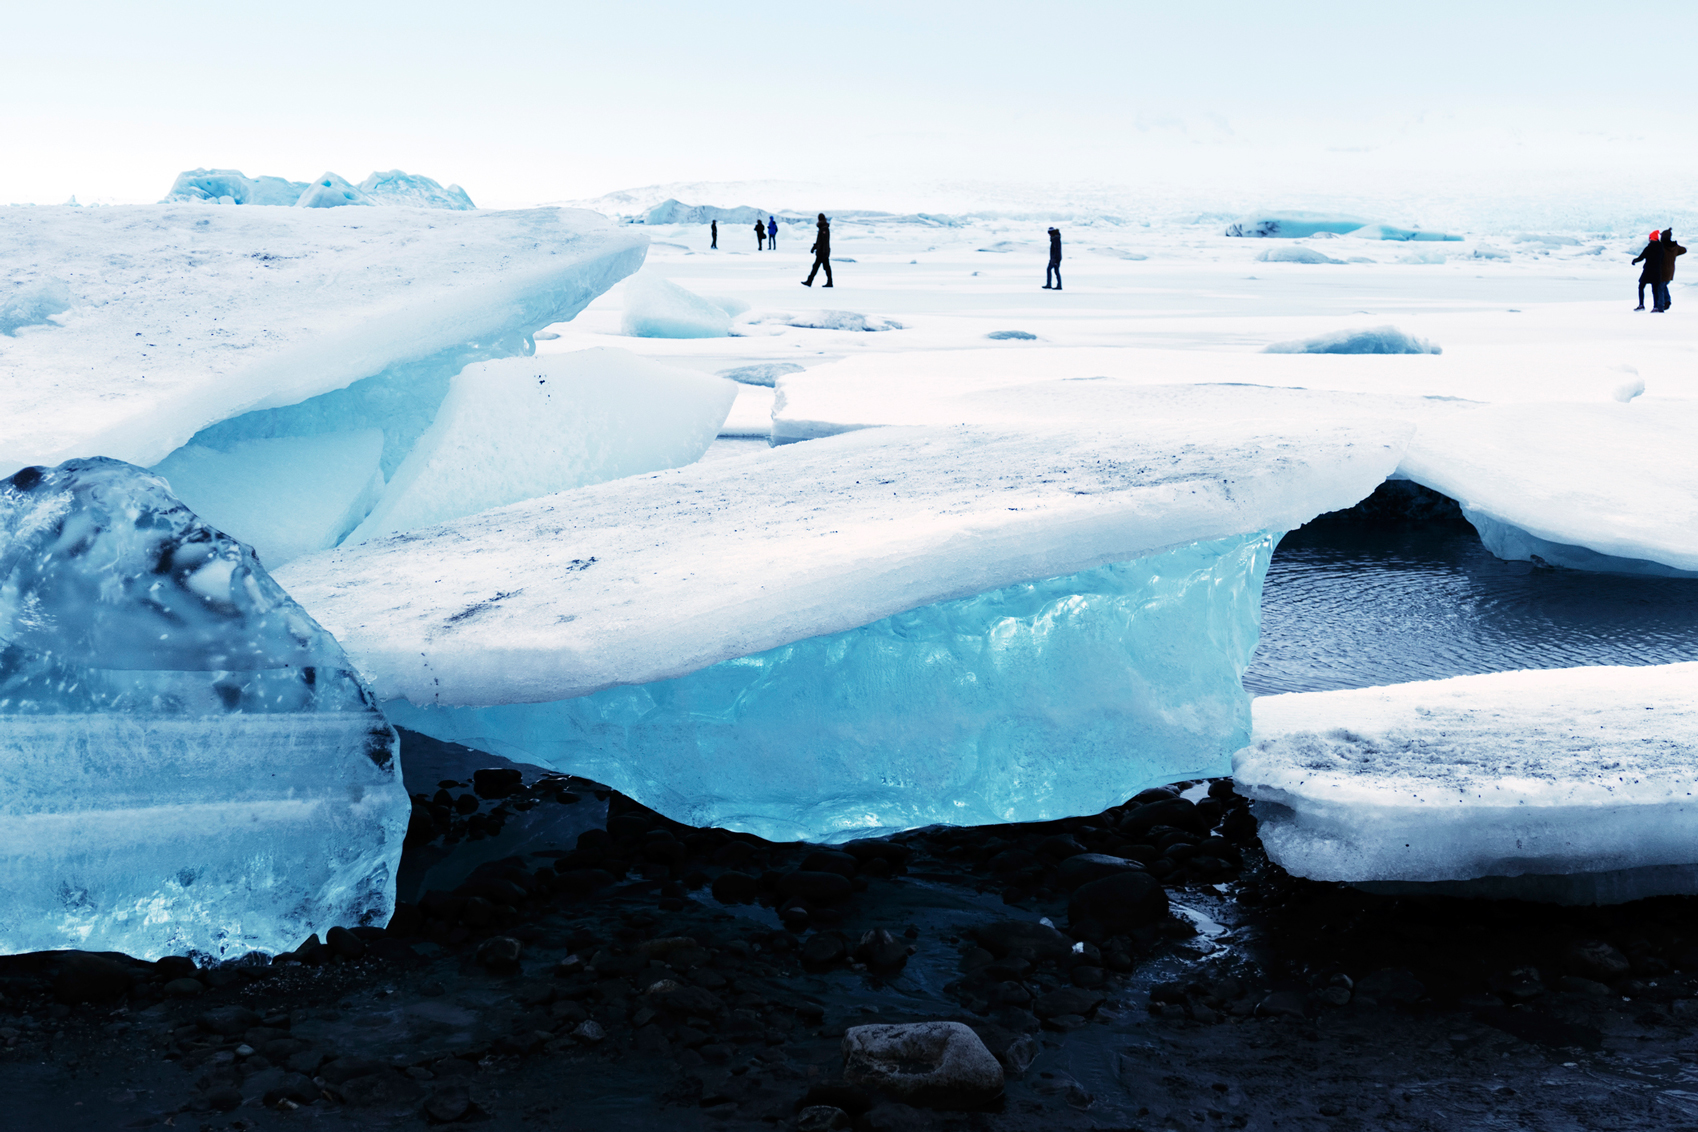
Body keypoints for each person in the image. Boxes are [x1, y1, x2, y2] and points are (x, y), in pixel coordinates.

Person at [1654, 227, 1686, 312]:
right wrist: (1674, 254)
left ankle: (1660, 307)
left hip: (1661, 270)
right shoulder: (1675, 247)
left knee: (1660, 288)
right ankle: (1667, 300)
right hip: (1671, 270)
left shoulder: (1661, 246)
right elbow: (1684, 250)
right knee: (1663, 285)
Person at [1632, 230, 1662, 309]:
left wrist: (1634, 260)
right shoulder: (1661, 247)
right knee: (1655, 289)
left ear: (1650, 238)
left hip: (1648, 270)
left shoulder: (1649, 248)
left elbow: (1641, 257)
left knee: (1641, 286)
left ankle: (1641, 304)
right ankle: (1656, 306)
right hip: (1657, 270)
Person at [803, 213, 833, 287]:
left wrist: (823, 252)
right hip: (823, 251)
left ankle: (809, 281)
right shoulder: (823, 228)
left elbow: (824, 242)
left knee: (816, 267)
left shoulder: (824, 229)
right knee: (826, 267)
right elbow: (819, 241)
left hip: (822, 252)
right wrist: (814, 247)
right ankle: (829, 282)